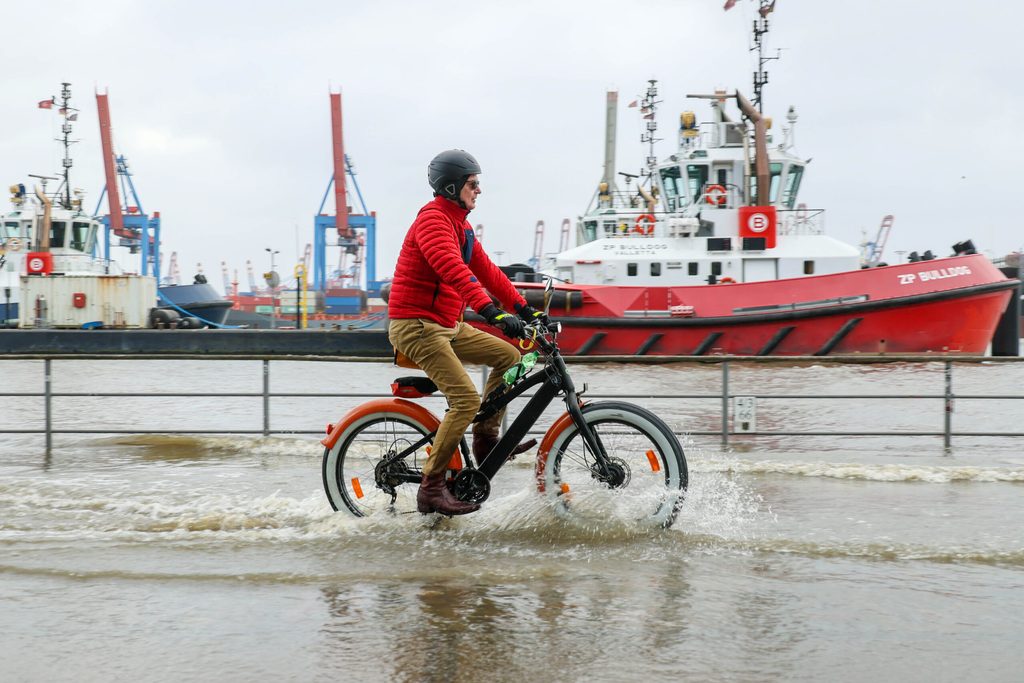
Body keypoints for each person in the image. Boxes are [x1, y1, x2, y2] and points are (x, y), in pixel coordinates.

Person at [387, 149, 548, 516]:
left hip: (446, 325)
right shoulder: (432, 221)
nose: (479, 190)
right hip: (416, 325)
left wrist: (524, 309)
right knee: (465, 400)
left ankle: (485, 439)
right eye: (473, 184)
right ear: (451, 186)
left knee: (512, 356)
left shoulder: (460, 224)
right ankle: (431, 488)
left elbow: (488, 272)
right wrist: (492, 313)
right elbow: (454, 272)